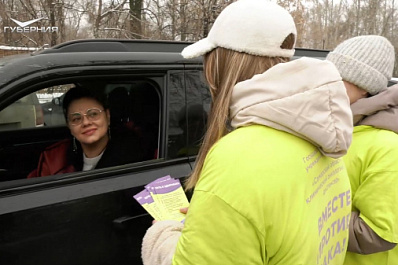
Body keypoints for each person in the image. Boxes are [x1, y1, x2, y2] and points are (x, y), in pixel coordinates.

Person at [141, 0, 354, 264]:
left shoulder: (236, 159)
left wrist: (165, 232)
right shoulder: (319, 135)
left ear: (221, 65)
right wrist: (213, 221)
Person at [326, 35, 398, 265]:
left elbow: (377, 233)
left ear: (365, 88)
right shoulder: (336, 127)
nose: (326, 84)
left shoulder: (388, 147)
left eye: (339, 79)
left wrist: (307, 215)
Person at [27, 85, 144, 178]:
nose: (86, 122)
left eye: (93, 114)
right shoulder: (54, 160)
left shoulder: (137, 159)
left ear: (107, 116)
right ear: (69, 126)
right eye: (76, 118)